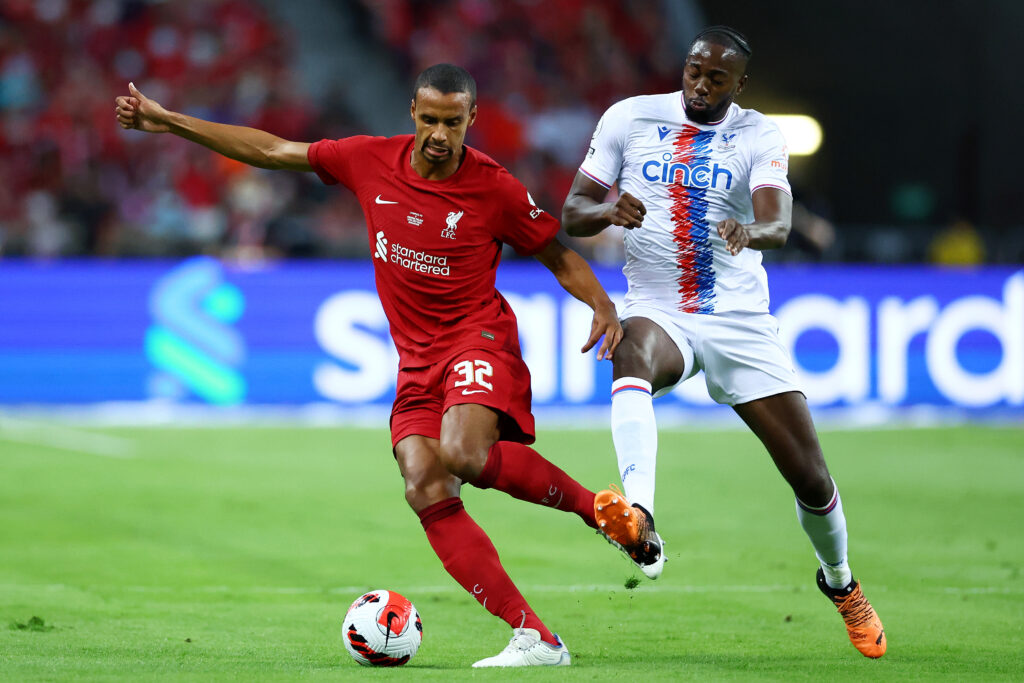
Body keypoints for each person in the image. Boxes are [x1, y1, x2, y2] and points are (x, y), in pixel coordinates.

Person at [115, 63, 624, 668]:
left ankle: (598, 510)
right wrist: (171, 122)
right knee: (423, 483)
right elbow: (273, 150)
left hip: (477, 337)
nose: (439, 133)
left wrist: (601, 304)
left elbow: (554, 253)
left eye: (452, 122)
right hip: (416, 362)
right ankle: (536, 638)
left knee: (463, 453)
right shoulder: (367, 159)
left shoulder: (495, 187)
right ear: (412, 111)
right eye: (430, 119)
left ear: (472, 119)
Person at [561, 26, 887, 659]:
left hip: (739, 321)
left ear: (739, 85)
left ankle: (841, 584)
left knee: (811, 479)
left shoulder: (760, 134)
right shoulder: (629, 118)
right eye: (693, 71)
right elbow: (573, 211)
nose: (700, 85)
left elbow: (781, 219)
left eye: (716, 78)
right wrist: (608, 213)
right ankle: (641, 519)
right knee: (627, 352)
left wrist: (753, 230)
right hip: (659, 310)